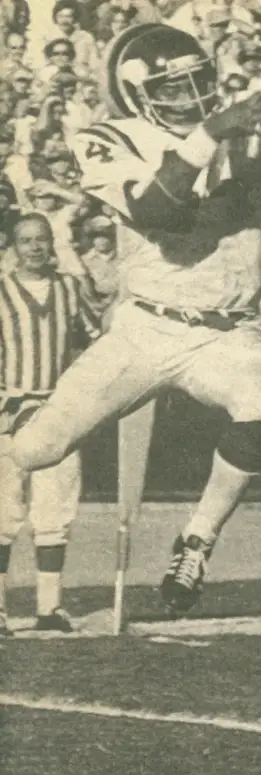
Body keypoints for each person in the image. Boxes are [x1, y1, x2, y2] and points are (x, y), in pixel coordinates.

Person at [9, 23, 261, 619]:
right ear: (135, 93)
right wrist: (214, 132)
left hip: (229, 330)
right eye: (173, 89)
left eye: (198, 83)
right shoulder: (110, 138)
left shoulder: (242, 140)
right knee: (34, 448)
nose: (191, 98)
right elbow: (159, 209)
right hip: (144, 328)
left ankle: (196, 540)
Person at [0, 214, 99, 636]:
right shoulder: (2, 291)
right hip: (8, 411)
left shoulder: (69, 288)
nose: (35, 248)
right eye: (26, 241)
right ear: (14, 247)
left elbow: (96, 342)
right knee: (4, 510)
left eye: (42, 239)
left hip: (58, 412)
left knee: (54, 510)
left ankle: (49, 607)